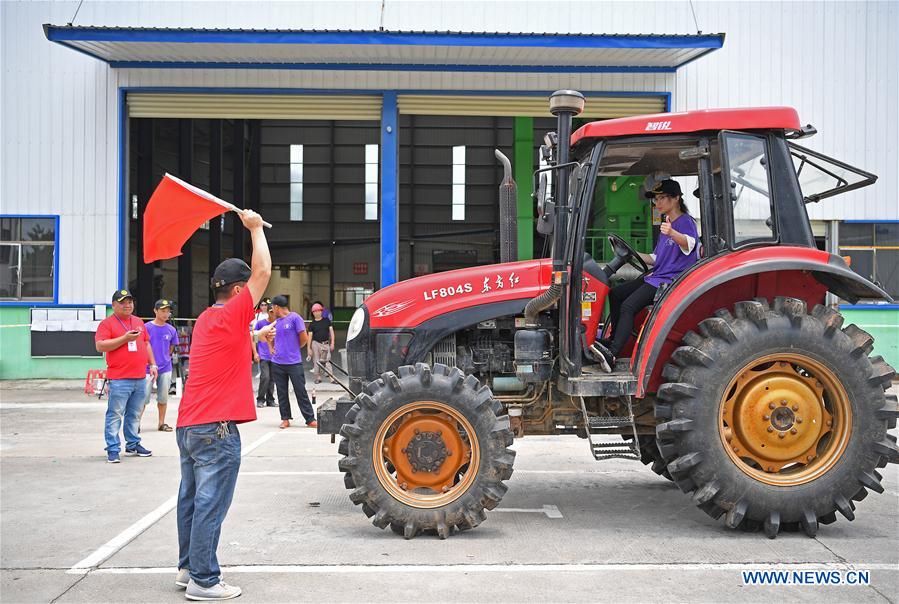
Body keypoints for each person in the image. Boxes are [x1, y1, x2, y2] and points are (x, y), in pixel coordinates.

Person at [174, 209, 270, 601]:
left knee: (192, 501)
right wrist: (256, 229)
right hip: (215, 430)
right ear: (237, 291)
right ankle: (204, 580)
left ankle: (187, 568)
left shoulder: (206, 320)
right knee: (211, 505)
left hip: (190, 425)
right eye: (247, 291)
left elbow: (236, 344)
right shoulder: (233, 313)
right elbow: (263, 272)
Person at [592, 179, 699, 372]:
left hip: (669, 281)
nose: (657, 203)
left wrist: (673, 232)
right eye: (655, 199)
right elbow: (655, 258)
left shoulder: (684, 222)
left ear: (676, 199)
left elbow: (690, 245)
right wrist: (629, 252)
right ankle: (611, 340)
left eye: (662, 198)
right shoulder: (667, 225)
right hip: (656, 274)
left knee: (628, 306)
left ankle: (614, 353)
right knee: (615, 294)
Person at [95, 289, 157, 463]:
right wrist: (124, 338)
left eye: (130, 302)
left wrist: (152, 364)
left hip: (139, 376)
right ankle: (113, 448)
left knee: (134, 414)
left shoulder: (138, 321)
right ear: (114, 305)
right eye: (122, 302)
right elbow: (100, 346)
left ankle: (133, 444)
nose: (127, 305)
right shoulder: (107, 324)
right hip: (120, 378)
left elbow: (146, 343)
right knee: (115, 414)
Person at [260, 295, 316, 429]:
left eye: (272, 307)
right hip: (277, 363)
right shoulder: (275, 322)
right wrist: (272, 347)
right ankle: (285, 419)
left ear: (277, 307)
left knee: (300, 391)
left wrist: (293, 349)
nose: (271, 309)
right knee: (281, 392)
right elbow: (270, 337)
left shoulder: (295, 318)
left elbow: (303, 338)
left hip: (293, 363)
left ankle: (310, 419)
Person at [141, 299, 178, 432]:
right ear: (155, 311)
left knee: (163, 397)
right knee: (143, 397)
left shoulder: (171, 330)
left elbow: (171, 347)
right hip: (147, 368)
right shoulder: (146, 328)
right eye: (162, 311)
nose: (166, 314)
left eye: (168, 311)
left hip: (165, 368)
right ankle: (136, 423)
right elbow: (142, 346)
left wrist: (165, 359)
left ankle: (161, 423)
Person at [252, 303, 276, 408]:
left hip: (275, 356)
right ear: (268, 312)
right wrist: (255, 353)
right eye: (271, 312)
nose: (273, 314)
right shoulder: (261, 324)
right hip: (264, 355)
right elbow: (254, 338)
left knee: (272, 378)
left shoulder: (278, 324)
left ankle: (270, 400)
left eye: (274, 312)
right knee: (265, 377)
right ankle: (260, 399)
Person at [307, 302, 335, 384]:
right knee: (316, 361)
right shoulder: (312, 324)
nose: (317, 312)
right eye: (315, 311)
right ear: (313, 313)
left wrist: (332, 343)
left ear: (321, 311)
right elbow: (310, 337)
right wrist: (309, 348)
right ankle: (318, 378)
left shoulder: (327, 321)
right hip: (315, 344)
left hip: (325, 344)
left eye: (318, 311)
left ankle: (331, 378)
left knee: (327, 360)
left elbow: (331, 332)